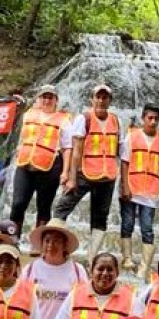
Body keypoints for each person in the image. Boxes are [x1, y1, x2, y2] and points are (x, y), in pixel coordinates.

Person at [52, 84, 120, 263]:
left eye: (105, 97)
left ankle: (92, 259)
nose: (101, 100)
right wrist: (72, 178)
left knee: (100, 218)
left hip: (107, 176)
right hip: (84, 174)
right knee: (62, 208)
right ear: (92, 99)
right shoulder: (84, 118)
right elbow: (76, 150)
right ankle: (51, 249)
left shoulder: (115, 120)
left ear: (109, 101)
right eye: (98, 97)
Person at [9, 85, 72, 237]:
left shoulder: (63, 120)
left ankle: (39, 242)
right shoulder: (28, 114)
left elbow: (67, 148)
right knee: (18, 203)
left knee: (44, 207)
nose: (47, 100)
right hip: (25, 165)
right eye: (44, 96)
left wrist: (65, 172)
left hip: (50, 168)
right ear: (38, 98)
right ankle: (13, 237)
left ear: (56, 100)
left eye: (50, 97)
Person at [118, 103, 159, 278]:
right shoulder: (131, 136)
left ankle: (144, 266)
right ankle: (127, 259)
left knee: (147, 228)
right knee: (127, 224)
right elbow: (124, 162)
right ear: (143, 119)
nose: (153, 121)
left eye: (156, 118)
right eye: (150, 118)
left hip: (150, 192)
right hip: (131, 187)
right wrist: (125, 186)